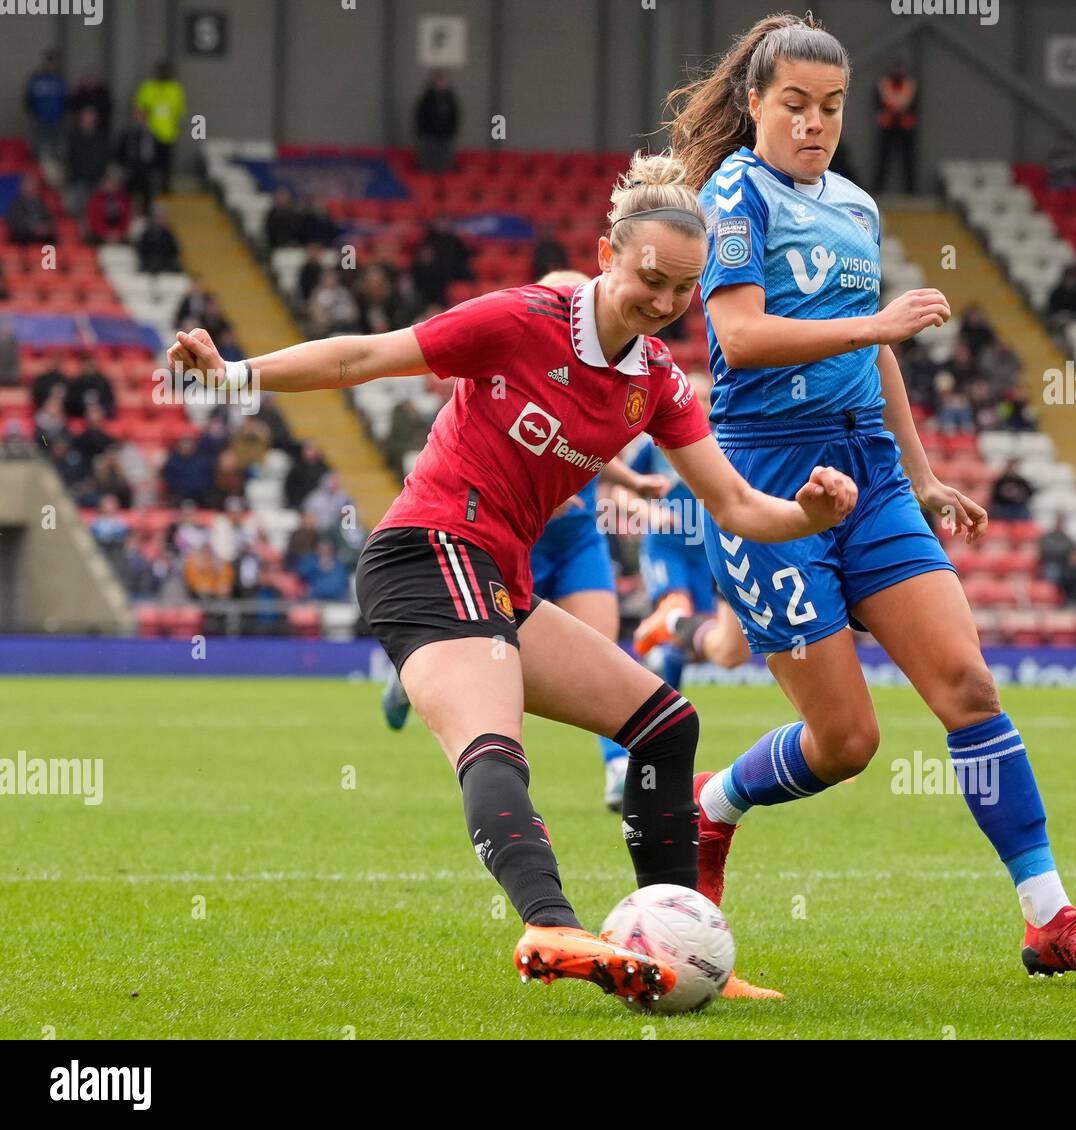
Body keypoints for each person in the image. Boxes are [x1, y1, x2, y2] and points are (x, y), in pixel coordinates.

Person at [167, 151, 857, 1006]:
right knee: (492, 745)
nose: (667, 303)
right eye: (651, 278)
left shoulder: (658, 383)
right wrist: (233, 374)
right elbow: (364, 358)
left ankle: (676, 940)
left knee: (666, 724)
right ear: (608, 255)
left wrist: (810, 517)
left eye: (684, 289)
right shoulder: (522, 318)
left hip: (498, 578)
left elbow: (737, 504)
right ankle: (548, 922)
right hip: (427, 552)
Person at [666, 11, 1076, 986]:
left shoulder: (853, 205)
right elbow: (743, 338)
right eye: (793, 103)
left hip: (872, 472)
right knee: (846, 742)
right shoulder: (730, 197)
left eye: (831, 108)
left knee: (967, 685)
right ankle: (712, 803)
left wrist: (922, 476)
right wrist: (872, 319)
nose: (814, 123)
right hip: (772, 478)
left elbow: (873, 348)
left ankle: (1047, 916)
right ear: (753, 102)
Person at [378, 270, 676, 814]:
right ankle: (422, 672)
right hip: (514, 535)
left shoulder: (616, 371)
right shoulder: (525, 351)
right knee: (497, 657)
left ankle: (616, 769)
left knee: (601, 649)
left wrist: (631, 484)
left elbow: (587, 445)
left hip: (578, 536)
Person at [630, 371, 753, 692]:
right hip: (667, 548)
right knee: (677, 608)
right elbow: (620, 493)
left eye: (703, 400)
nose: (697, 406)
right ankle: (653, 658)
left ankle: (661, 672)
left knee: (699, 640)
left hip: (709, 553)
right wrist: (649, 512)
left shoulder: (724, 445)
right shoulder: (655, 445)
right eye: (692, 398)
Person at [134, 61, 186, 194]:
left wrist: (175, 125)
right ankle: (149, 189)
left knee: (166, 164)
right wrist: (143, 124)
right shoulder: (148, 87)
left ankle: (165, 188)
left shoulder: (175, 88)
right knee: (148, 163)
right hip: (150, 133)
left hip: (168, 133)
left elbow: (180, 111)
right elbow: (140, 108)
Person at [873, 59, 917, 194]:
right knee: (883, 158)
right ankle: (878, 189)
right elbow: (878, 103)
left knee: (908, 159)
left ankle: (911, 191)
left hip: (905, 126)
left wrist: (897, 108)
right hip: (888, 125)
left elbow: (913, 105)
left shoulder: (910, 85)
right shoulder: (883, 84)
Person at [25, 50, 66, 164]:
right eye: (49, 62)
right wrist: (32, 114)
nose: (50, 66)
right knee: (38, 146)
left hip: (56, 119)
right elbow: (28, 99)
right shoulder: (36, 79)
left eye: (53, 63)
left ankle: (54, 168)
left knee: (56, 147)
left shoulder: (59, 80)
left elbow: (65, 99)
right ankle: (37, 167)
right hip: (39, 119)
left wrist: (62, 114)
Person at [413, 72, 460, 173]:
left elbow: (455, 116)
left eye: (443, 82)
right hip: (429, 137)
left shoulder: (450, 99)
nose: (441, 84)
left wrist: (451, 131)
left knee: (445, 163)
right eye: (439, 82)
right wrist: (423, 132)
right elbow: (420, 116)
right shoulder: (426, 99)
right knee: (427, 163)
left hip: (445, 137)